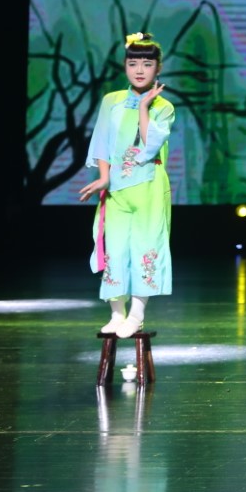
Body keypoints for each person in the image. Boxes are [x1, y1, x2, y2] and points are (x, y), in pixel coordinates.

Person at [78, 31, 175, 339]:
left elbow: (149, 145)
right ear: (125, 66)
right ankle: (116, 313)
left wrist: (144, 107)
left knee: (146, 248)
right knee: (115, 249)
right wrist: (104, 176)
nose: (139, 70)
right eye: (133, 64)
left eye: (147, 64)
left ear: (158, 68)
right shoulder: (112, 101)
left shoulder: (164, 106)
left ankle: (137, 314)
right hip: (117, 188)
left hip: (149, 187)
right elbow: (102, 141)